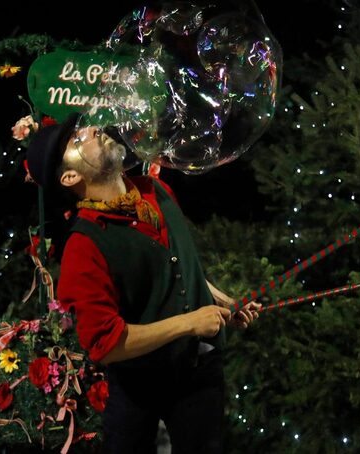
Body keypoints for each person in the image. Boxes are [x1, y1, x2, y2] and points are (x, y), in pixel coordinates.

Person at [26, 114, 261, 454]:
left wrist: (224, 302)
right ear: (71, 176)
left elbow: (175, 266)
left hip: (197, 372)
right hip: (140, 383)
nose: (93, 129)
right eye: (78, 140)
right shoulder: (83, 246)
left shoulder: (155, 191)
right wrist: (191, 322)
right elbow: (105, 343)